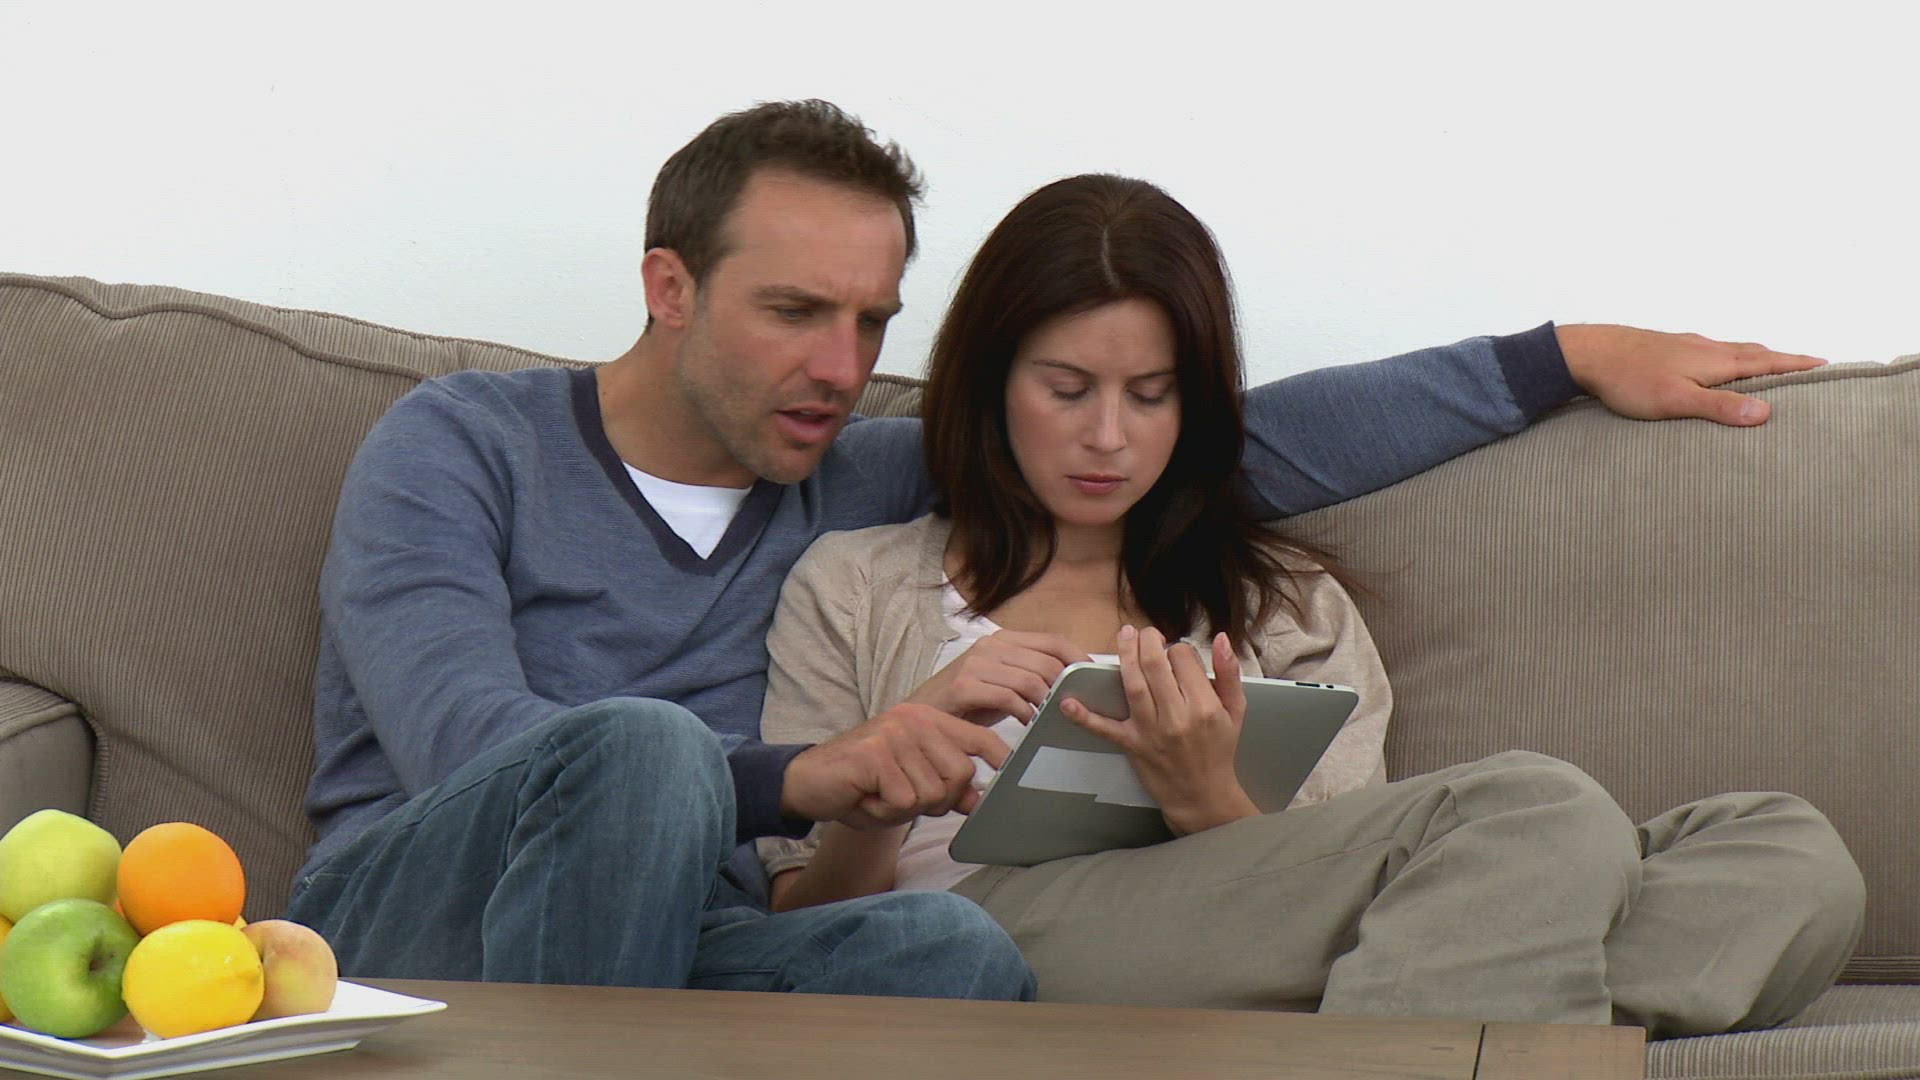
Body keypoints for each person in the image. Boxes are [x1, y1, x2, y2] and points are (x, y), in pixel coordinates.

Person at [286, 98, 1831, 998]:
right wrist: (815, 778)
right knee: (640, 753)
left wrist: (1557, 355)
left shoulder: (845, 464)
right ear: (668, 287)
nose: (838, 365)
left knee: (951, 964)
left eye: (870, 322)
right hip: (421, 907)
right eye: (794, 311)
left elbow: (1212, 444)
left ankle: (1483, 991)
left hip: (700, 941)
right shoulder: (461, 445)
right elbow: (474, 745)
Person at [755, 173, 1865, 1036]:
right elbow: (804, 928)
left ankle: (1390, 1018)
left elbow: (1346, 873)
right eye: (1067, 389)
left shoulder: (1285, 604)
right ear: (991, 384)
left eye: (1152, 396)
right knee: (1534, 811)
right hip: (994, 926)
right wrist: (887, 776)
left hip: (1265, 931)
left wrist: (1206, 799)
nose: (1108, 437)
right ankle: (1442, 1009)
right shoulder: (857, 586)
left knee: (1787, 852)